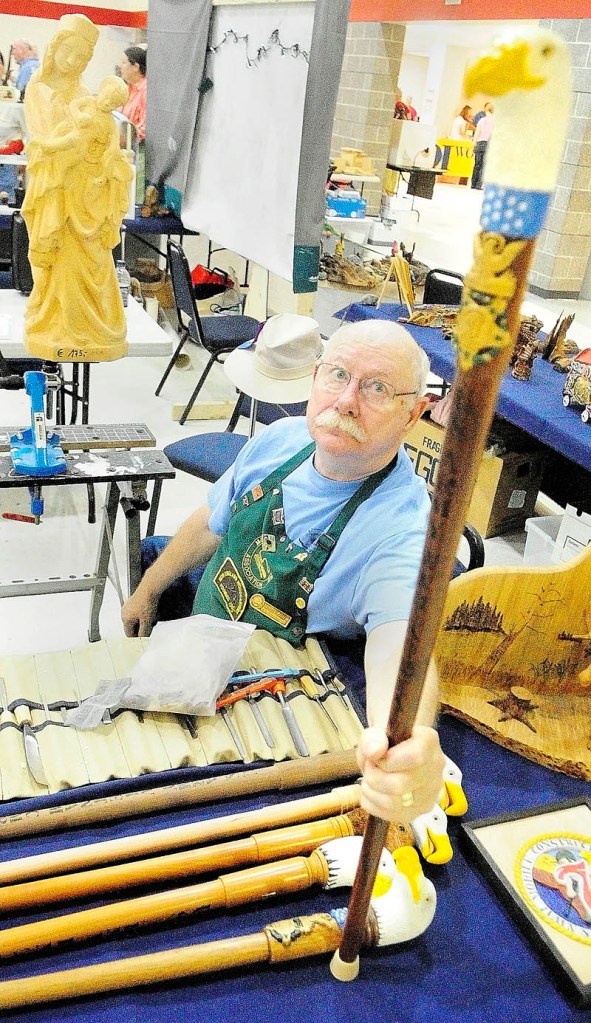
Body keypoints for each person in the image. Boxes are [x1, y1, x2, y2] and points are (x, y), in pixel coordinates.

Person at [122, 317, 445, 824]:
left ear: (413, 415)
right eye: (338, 374)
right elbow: (211, 521)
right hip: (197, 650)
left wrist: (409, 742)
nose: (346, 401)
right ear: (315, 377)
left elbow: (400, 644)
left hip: (273, 696)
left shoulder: (401, 530)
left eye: (377, 388)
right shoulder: (280, 440)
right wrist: (148, 588)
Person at [22, 14, 131, 360]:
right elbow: (43, 140)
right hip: (56, 190)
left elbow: (103, 142)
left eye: (83, 58)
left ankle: (91, 325)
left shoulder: (85, 95)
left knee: (92, 258)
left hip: (86, 193)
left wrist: (110, 160)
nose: (74, 62)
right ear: (56, 47)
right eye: (70, 52)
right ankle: (56, 322)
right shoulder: (38, 90)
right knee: (59, 261)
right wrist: (70, 144)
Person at [119, 45, 147, 199]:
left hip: (137, 150)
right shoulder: (128, 89)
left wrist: (129, 135)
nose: (121, 67)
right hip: (123, 147)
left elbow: (144, 127)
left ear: (135, 66)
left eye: (123, 63)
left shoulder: (145, 90)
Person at [0, 83, 26, 203]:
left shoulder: (16, 109)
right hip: (8, 156)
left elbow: (24, 138)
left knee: (7, 196)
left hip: (9, 163)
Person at [471, 104, 494, 190]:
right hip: (487, 144)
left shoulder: (481, 120)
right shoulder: (494, 121)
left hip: (479, 143)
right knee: (483, 165)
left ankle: (473, 183)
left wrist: (474, 144)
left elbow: (477, 133)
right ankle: (478, 185)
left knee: (477, 164)